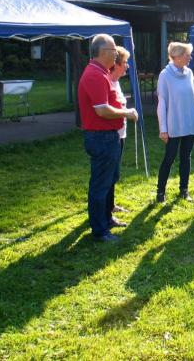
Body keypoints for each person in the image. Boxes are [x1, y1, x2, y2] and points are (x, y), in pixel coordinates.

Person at [78, 34, 138, 242]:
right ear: (104, 53)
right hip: (101, 137)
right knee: (100, 184)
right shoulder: (95, 75)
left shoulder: (100, 72)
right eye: (114, 51)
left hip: (107, 136)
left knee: (107, 180)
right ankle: (100, 230)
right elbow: (102, 110)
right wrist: (127, 113)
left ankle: (106, 219)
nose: (116, 55)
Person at [156, 42, 194, 203]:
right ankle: (160, 192)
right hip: (173, 125)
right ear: (176, 56)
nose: (190, 57)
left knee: (186, 157)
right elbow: (162, 102)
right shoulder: (165, 74)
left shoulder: (189, 72)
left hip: (189, 123)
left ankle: (184, 190)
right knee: (169, 157)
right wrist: (163, 128)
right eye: (187, 54)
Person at [107, 46, 132, 214]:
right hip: (110, 135)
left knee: (114, 172)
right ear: (115, 64)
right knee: (109, 173)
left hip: (120, 133)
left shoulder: (116, 82)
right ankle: (105, 210)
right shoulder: (107, 81)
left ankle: (110, 205)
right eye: (125, 62)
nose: (127, 66)